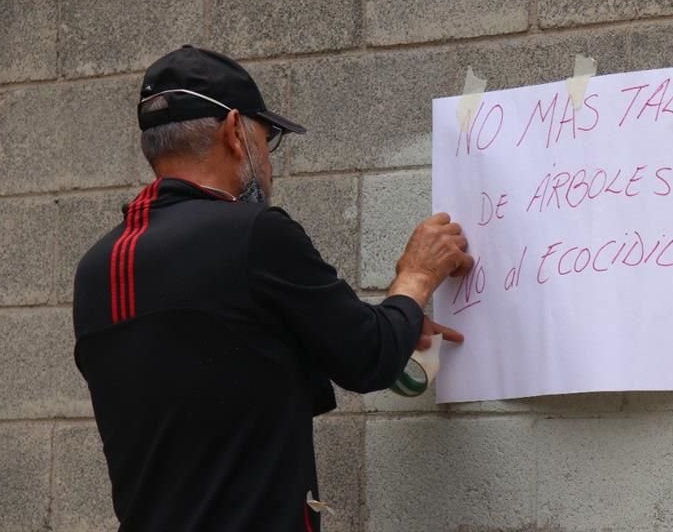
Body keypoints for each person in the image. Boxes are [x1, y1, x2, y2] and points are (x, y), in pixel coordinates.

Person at [72, 45, 473, 532]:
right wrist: (417, 276)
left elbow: (213, 366)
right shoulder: (253, 234)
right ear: (234, 131)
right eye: (268, 138)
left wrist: (395, 323)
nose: (268, 161)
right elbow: (369, 357)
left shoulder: (97, 268)